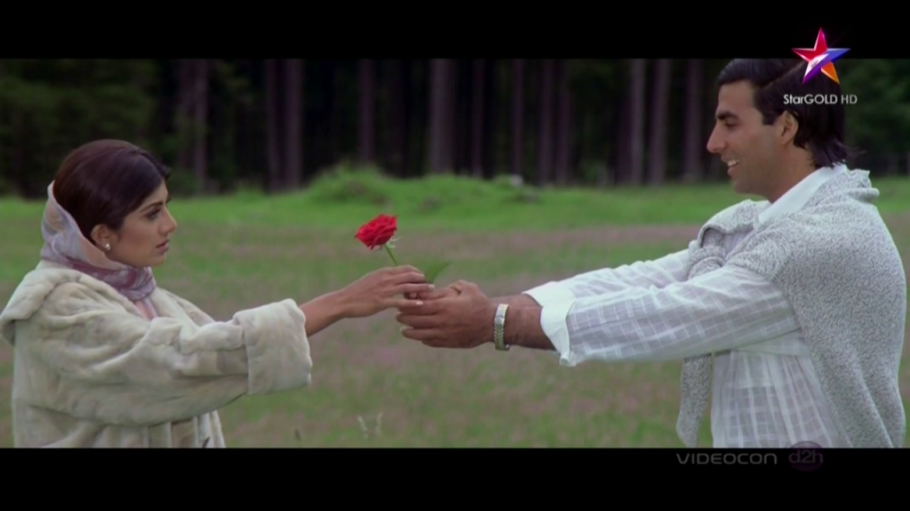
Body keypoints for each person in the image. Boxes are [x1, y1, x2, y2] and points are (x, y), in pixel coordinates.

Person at [395, 58, 907, 448]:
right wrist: (495, 307)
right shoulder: (758, 224)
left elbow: (666, 316)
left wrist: (496, 323)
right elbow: (645, 280)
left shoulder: (818, 241)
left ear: (788, 127)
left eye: (729, 123)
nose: (712, 143)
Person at [0, 139, 433, 448]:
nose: (171, 224)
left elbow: (220, 350)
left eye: (167, 206)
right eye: (152, 213)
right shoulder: (56, 309)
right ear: (102, 235)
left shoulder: (145, 295)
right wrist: (340, 303)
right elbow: (184, 361)